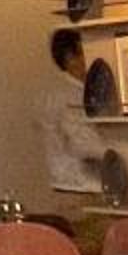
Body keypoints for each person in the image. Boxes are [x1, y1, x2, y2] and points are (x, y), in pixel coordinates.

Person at [37, 26, 101, 197]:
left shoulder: (81, 90)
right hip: (78, 185)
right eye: (85, 51)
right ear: (70, 58)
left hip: (83, 182)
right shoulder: (65, 96)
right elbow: (84, 144)